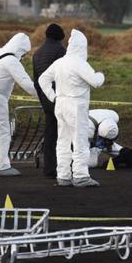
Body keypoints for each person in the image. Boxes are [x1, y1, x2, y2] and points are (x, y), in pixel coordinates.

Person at [39, 29, 105, 187]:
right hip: (76, 105)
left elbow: (43, 79)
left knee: (63, 140)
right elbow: (95, 82)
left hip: (60, 104)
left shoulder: (60, 62)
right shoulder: (80, 63)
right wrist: (101, 75)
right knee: (80, 141)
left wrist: (53, 96)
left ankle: (63, 176)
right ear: (83, 47)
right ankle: (81, 175)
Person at [0, 33, 38, 176]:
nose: (23, 57)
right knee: (3, 131)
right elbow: (26, 84)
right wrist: (46, 96)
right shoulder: (11, 60)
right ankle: (2, 166)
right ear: (21, 50)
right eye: (24, 53)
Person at [32, 23, 66, 179]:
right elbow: (64, 76)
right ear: (60, 38)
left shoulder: (37, 54)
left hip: (46, 100)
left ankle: (49, 169)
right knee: (66, 134)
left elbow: (36, 82)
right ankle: (66, 167)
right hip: (60, 98)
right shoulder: (60, 51)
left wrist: (43, 100)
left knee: (50, 135)